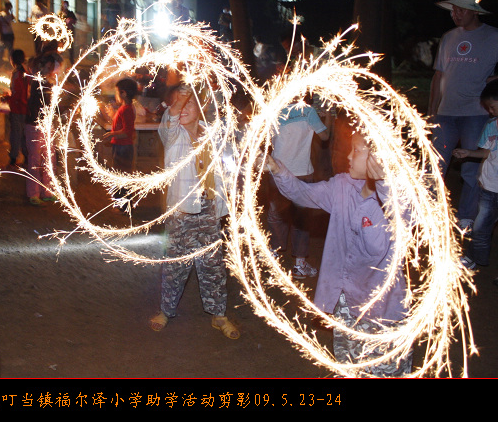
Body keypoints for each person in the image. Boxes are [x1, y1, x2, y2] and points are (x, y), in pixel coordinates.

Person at [263, 131, 412, 376]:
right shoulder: (343, 186)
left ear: (379, 157)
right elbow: (303, 193)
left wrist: (384, 182)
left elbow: (404, 218)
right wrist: (277, 169)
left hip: (380, 313)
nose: (349, 156)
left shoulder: (400, 199)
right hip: (346, 303)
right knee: (348, 366)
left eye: (357, 150)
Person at [149, 85, 240, 340]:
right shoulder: (173, 134)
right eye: (178, 103)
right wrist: (184, 92)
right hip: (182, 211)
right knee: (176, 265)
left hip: (209, 208)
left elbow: (227, 164)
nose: (182, 108)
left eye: (189, 103)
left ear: (201, 109)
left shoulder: (212, 133)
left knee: (213, 265)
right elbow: (171, 116)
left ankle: (218, 314)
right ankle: (166, 311)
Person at [428, 0, 498, 231]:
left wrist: (496, 79)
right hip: (446, 112)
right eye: (453, 10)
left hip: (476, 113)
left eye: (461, 10)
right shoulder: (448, 38)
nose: (455, 14)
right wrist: (432, 109)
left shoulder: (495, 38)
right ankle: (430, 212)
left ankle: (466, 215)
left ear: (474, 12)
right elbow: (438, 76)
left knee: (471, 167)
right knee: (435, 164)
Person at [454, 79, 498, 287]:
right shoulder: (491, 126)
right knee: (480, 226)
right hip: (489, 186)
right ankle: (473, 258)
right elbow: (488, 151)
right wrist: (469, 153)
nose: (489, 111)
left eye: (492, 107)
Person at [267, 100, 332, 278]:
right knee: (301, 220)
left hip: (277, 170)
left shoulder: (273, 109)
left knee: (277, 215)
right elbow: (325, 136)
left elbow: (266, 139)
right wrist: (327, 117)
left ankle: (273, 258)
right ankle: (299, 265)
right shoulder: (308, 111)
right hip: (302, 172)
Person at [25, 54, 57, 206]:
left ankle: (47, 191)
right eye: (48, 67)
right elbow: (37, 104)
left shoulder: (46, 83)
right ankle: (34, 193)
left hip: (46, 124)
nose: (50, 71)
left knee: (49, 158)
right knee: (35, 160)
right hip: (35, 125)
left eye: (51, 68)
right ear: (41, 67)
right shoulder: (37, 82)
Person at [102, 77, 137, 212]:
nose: (115, 95)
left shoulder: (126, 109)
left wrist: (112, 134)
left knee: (122, 176)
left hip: (123, 148)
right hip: (122, 146)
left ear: (123, 93)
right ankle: (121, 203)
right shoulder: (125, 108)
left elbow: (127, 132)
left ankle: (124, 205)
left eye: (117, 92)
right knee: (120, 174)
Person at [2, 49, 29, 170]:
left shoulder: (17, 73)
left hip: (18, 109)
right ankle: (26, 160)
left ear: (12, 59)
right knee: (24, 135)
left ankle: (13, 161)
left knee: (15, 135)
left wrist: (7, 98)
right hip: (26, 109)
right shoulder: (26, 72)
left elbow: (17, 93)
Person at [0, 1, 15, 69]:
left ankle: (9, 64)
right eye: (9, 7)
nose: (9, 8)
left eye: (10, 7)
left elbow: (13, 18)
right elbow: (0, 25)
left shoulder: (10, 15)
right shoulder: (1, 14)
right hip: (4, 34)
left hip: (10, 34)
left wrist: (11, 11)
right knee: (2, 50)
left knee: (10, 50)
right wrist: (1, 34)